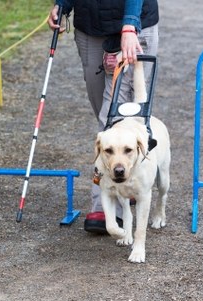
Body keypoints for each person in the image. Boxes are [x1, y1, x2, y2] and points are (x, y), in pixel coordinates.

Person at [48, 0, 159, 233]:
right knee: (102, 110)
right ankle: (125, 182)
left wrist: (130, 26)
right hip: (90, 27)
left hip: (131, 28)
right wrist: (63, 4)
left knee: (111, 118)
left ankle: (104, 204)